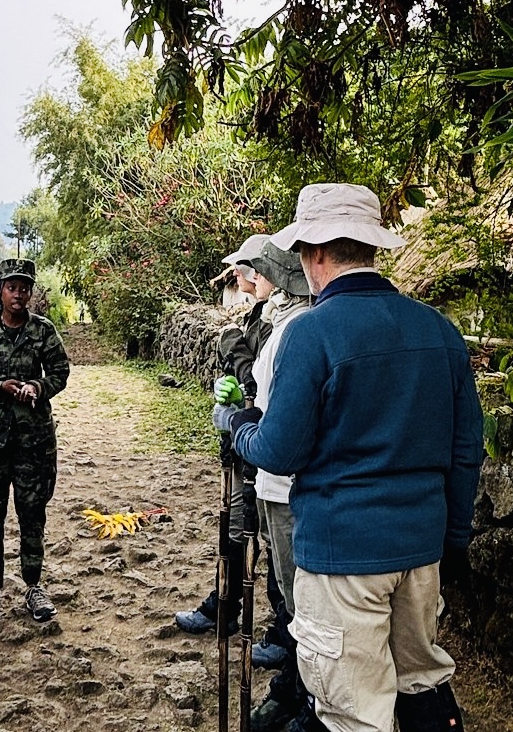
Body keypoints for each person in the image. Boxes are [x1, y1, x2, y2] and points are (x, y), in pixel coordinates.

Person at [217, 183, 483, 732]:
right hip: (420, 547)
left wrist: (237, 423)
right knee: (420, 681)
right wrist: (451, 538)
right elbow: (464, 453)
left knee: (353, 709)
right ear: (369, 248)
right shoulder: (439, 330)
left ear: (314, 252)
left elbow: (280, 451)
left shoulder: (311, 334)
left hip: (343, 555)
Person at [175, 233, 288, 672]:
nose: (241, 278)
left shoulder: (291, 319)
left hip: (270, 446)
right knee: (238, 531)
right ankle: (224, 606)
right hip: (248, 440)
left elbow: (264, 382)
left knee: (275, 543)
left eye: (246, 270)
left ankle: (283, 635)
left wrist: (237, 355)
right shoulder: (264, 312)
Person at [215, 242, 313, 732]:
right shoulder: (283, 321)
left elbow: (279, 424)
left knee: (301, 605)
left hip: (286, 480)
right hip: (275, 478)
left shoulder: (299, 327)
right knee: (294, 597)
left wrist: (239, 424)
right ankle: (296, 692)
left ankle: (301, 699)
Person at [0, 258, 70, 626]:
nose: (19, 294)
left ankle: (34, 587)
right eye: (12, 287)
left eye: (25, 288)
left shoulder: (43, 331)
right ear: (0, 291)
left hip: (33, 440)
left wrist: (37, 386)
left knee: (32, 515)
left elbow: (60, 371)